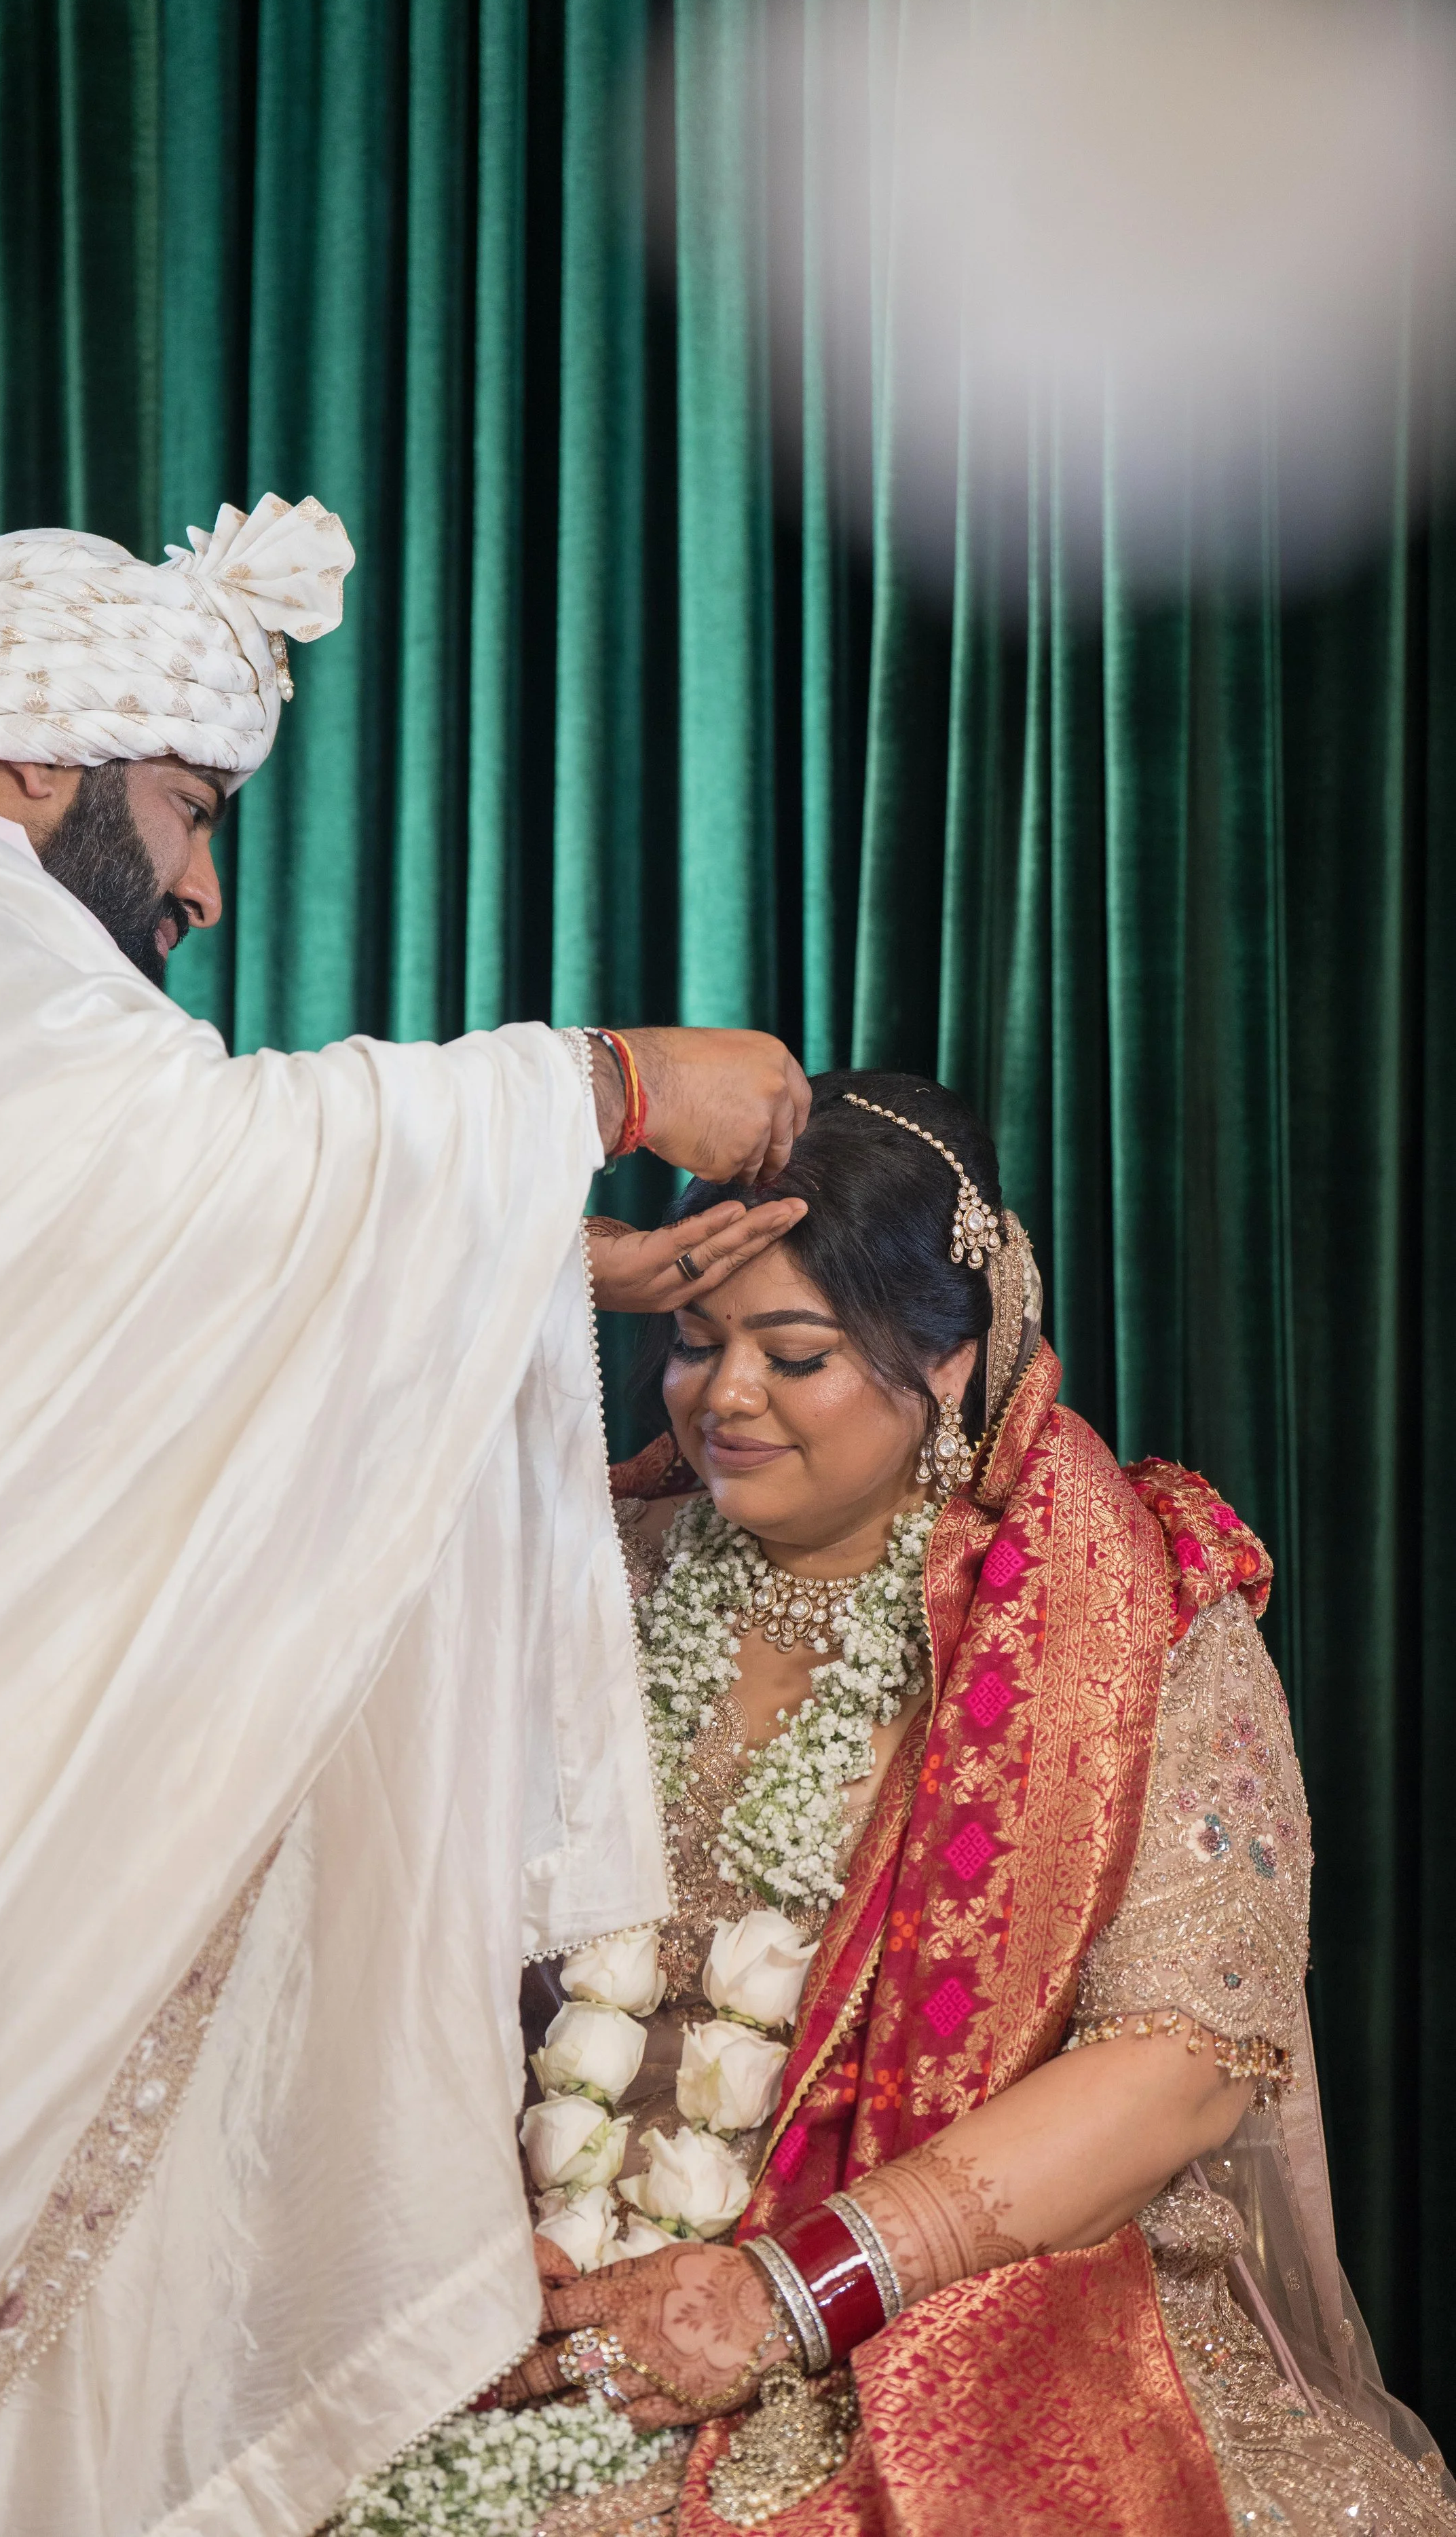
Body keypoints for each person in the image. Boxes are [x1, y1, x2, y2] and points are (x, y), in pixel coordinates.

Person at [0, 497, 812, 2537]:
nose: (209, 886)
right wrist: (598, 1085)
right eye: (187, 811)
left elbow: (78, 1286)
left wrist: (522, 1262)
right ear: (43, 759)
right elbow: (175, 1168)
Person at [386, 1073, 1456, 2537]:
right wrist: (441, 2219)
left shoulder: (1127, 1613)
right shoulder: (583, 1579)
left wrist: (787, 2294)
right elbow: (392, 1934)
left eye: (796, 1351)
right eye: (694, 1345)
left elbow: (1184, 2058)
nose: (725, 1396)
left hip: (936, 2302)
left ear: (945, 1364)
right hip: (529, 2288)